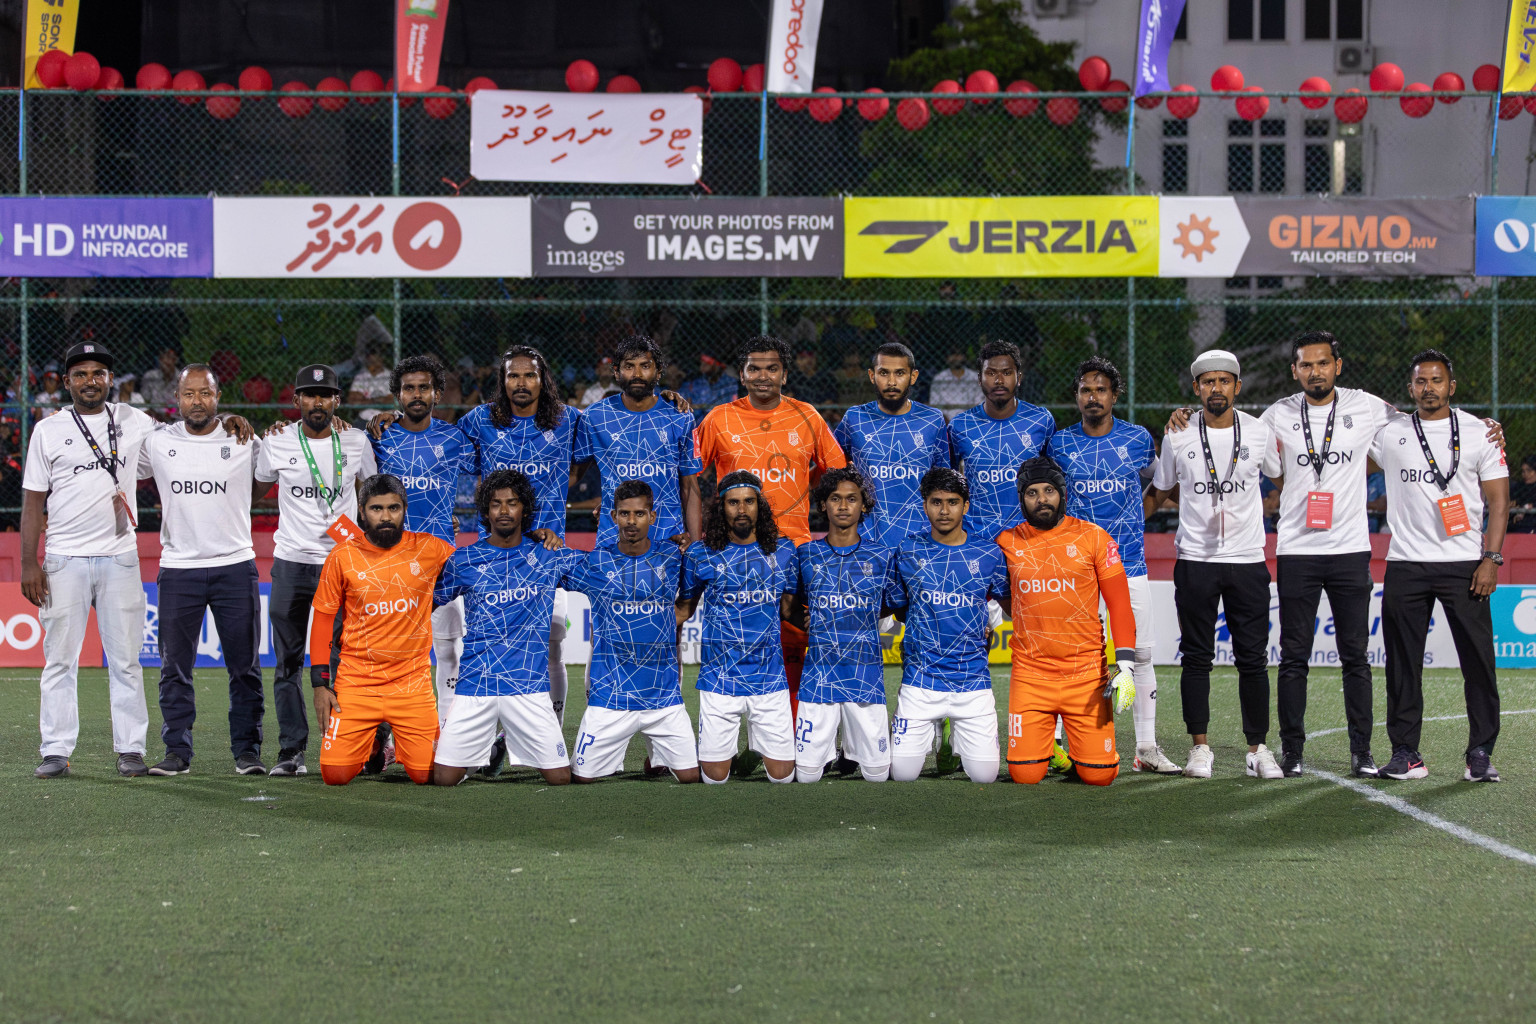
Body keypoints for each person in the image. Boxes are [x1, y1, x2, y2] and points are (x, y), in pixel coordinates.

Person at [1371, 350, 1507, 783]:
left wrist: (1491, 558)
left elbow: (1499, 501)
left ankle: (1480, 753)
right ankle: (1406, 753)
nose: (1428, 387)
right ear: (1410, 388)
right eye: (1420, 381)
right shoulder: (1389, 433)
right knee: (1402, 664)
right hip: (1406, 563)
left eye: (1436, 380)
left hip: (1465, 564)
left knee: (1479, 663)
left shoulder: (1480, 432)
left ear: (1452, 386)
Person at [22, 343, 158, 778]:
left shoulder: (135, 420)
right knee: (60, 659)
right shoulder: (47, 429)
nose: (90, 381)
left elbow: (183, 440)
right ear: (66, 382)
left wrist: (225, 424)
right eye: (80, 374)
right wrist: (30, 562)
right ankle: (56, 750)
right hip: (63, 558)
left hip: (120, 556)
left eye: (99, 372)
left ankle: (131, 749)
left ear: (110, 379)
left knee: (126, 659)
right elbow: (32, 501)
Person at [694, 335, 846, 723]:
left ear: (784, 373)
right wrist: (698, 537)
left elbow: (836, 477)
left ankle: (809, 733)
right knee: (739, 646)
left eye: (772, 368)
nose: (763, 376)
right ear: (742, 374)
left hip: (794, 547)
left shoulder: (808, 416)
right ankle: (735, 729)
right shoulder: (718, 419)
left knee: (806, 642)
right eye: (754, 368)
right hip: (735, 552)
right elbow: (691, 476)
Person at [1145, 349, 1282, 780]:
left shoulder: (1259, 432)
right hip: (1196, 560)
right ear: (1196, 388)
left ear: (1237, 387)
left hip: (1247, 559)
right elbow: (1163, 489)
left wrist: (1262, 509)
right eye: (1208, 382)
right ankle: (1199, 749)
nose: (1216, 388)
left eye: (1224, 381)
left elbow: (1281, 479)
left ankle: (1258, 749)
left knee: (1253, 659)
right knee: (1196, 657)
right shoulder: (1178, 434)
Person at [1046, 357, 1179, 775]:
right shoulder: (1059, 444)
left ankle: (1147, 749)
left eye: (1101, 389)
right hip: (1075, 570)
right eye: (1086, 389)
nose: (1093, 396)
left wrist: (1139, 515)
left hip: (1129, 565)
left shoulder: (1137, 438)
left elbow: (1163, 484)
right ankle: (1058, 747)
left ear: (1114, 395)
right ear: (1077, 396)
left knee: (1140, 655)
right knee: (1070, 657)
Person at [136, 364, 264, 776]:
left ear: (218, 396)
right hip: (179, 569)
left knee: (244, 667)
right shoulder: (157, 442)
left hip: (234, 565)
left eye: (204, 394)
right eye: (189, 394)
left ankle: (247, 752)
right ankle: (177, 752)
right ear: (177, 398)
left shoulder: (244, 438)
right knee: (174, 667)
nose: (197, 401)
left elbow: (262, 481)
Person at [255, 364, 378, 777]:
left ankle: (344, 742)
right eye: (309, 395)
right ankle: (291, 751)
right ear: (296, 402)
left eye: (325, 395)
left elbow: (373, 497)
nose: (317, 402)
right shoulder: (276, 441)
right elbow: (256, 486)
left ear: (337, 401)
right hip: (291, 562)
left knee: (345, 660)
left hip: (342, 566)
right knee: (288, 661)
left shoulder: (356, 440)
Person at [431, 470, 583, 786]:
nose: (503, 511)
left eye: (512, 503)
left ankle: (496, 745)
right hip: (476, 683)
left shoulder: (547, 554)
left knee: (559, 778)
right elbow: (424, 599)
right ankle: (487, 752)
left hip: (527, 685)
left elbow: (604, 569)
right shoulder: (464, 560)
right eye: (496, 504)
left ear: (524, 510)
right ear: (485, 511)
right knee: (443, 779)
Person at [457, 346, 583, 726]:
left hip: (547, 551)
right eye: (514, 375)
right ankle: (491, 734)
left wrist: (667, 400)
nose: (522, 383)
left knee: (551, 648)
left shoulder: (569, 420)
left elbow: (612, 438)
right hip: (491, 556)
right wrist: (391, 418)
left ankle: (552, 729)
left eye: (530, 375)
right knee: (489, 646)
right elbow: (437, 444)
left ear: (543, 379)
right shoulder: (480, 420)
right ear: (503, 380)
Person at [309, 474, 455, 786]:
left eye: (393, 508)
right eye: (376, 509)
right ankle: (374, 744)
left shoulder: (431, 548)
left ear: (404, 509)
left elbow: (482, 562)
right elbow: (322, 619)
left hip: (411, 683)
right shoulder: (342, 555)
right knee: (334, 775)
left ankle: (390, 743)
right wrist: (320, 684)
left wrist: (534, 538)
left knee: (429, 775)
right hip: (357, 682)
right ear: (361, 511)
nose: (386, 516)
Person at [1000, 457, 1136, 786]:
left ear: (1062, 493)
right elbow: (998, 595)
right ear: (1021, 498)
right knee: (1025, 775)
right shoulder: (1006, 542)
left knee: (1099, 776)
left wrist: (1127, 666)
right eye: (1032, 492)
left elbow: (1119, 604)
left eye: (1049, 490)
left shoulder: (1094, 538)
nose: (1041, 499)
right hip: (1031, 676)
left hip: (1086, 676)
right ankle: (1054, 752)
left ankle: (1082, 755)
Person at [566, 481, 701, 784]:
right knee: (581, 779)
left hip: (664, 700)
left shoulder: (674, 556)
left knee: (693, 777)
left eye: (639, 514)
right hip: (610, 699)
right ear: (612, 516)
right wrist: (543, 536)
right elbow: (548, 567)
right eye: (624, 514)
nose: (631, 521)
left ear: (653, 517)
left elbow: (693, 593)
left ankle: (656, 759)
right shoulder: (595, 562)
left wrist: (676, 614)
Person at [367, 354, 477, 721]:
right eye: (408, 388)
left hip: (441, 561)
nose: (416, 394)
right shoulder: (378, 438)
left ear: (437, 394)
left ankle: (447, 733)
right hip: (390, 562)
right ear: (397, 394)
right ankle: (392, 737)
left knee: (448, 650)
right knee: (393, 652)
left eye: (424, 387)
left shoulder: (455, 438)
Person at [885, 468, 1010, 784]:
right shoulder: (908, 550)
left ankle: (951, 733)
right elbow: (899, 607)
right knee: (902, 774)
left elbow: (1007, 605)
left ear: (965, 506)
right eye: (936, 502)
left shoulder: (989, 553)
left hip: (973, 684)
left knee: (985, 776)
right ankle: (935, 732)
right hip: (920, 681)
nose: (944, 510)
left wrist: (981, 622)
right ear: (924, 505)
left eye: (952, 502)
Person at [678, 471, 799, 784]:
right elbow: (684, 611)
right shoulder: (699, 554)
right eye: (733, 502)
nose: (742, 509)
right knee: (715, 778)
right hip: (720, 680)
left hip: (769, 679)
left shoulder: (785, 552)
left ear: (760, 505)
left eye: (748, 501)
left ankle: (756, 748)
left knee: (783, 778)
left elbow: (788, 611)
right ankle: (732, 749)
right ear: (722, 507)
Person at [788, 468, 897, 783]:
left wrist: (853, 617)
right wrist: (808, 622)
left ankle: (852, 750)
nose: (843, 505)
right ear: (823, 504)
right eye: (835, 498)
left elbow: (893, 603)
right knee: (806, 776)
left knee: (877, 775)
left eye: (852, 499)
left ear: (864, 505)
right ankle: (834, 752)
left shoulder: (881, 555)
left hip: (865, 677)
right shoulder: (806, 553)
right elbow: (788, 608)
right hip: (818, 678)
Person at [573, 334, 703, 550]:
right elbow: (572, 475)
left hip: (667, 541)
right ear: (616, 371)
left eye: (645, 366)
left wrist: (697, 548)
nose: (637, 374)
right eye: (629, 366)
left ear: (658, 371)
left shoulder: (680, 416)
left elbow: (690, 488)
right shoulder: (595, 416)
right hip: (612, 541)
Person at [832, 342, 949, 549]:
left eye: (900, 373)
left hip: (920, 540)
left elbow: (944, 483)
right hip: (865, 539)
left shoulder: (933, 420)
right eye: (884, 373)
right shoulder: (854, 418)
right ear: (871, 375)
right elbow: (833, 471)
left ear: (913, 376)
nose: (892, 381)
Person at [946, 339, 1056, 542]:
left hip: (1030, 538)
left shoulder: (1041, 420)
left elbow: (1054, 480)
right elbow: (948, 484)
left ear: (1019, 377)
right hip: (978, 538)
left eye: (1006, 373)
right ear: (979, 378)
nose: (999, 380)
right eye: (991, 373)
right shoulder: (960, 426)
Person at [345, 344, 394, 421]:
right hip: (364, 419)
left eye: (373, 361)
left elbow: (393, 401)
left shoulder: (390, 376)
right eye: (369, 360)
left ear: (381, 358)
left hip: (385, 419)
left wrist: (365, 401)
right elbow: (352, 401)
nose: (370, 363)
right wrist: (378, 401)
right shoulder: (361, 376)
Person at [138, 346, 181, 411]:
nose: (165, 360)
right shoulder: (150, 376)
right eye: (162, 357)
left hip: (176, 417)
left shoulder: (183, 379)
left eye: (169, 357)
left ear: (175, 360)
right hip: (154, 415)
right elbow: (144, 399)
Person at [1508, 455, 1536, 533]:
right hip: (1517, 526)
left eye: (1529, 471)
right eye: (1523, 471)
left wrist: (1532, 506)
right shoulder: (1517, 488)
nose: (1525, 474)